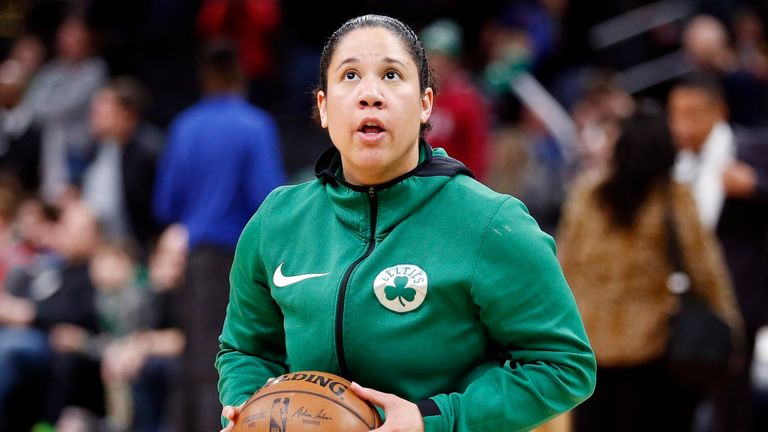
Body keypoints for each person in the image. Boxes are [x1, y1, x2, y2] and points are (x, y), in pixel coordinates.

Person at [217, 14, 595, 432]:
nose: (371, 94)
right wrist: (248, 406)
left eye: (392, 75)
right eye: (350, 76)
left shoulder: (492, 223)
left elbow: (564, 366)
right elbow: (245, 348)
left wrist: (432, 418)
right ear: (323, 107)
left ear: (425, 104)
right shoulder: (278, 220)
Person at [558, 105, 742, 431]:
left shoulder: (588, 193)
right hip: (653, 351)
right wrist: (730, 325)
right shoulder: (673, 198)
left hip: (590, 348)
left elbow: (564, 266)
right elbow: (706, 270)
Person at [153, 39, 285, 432]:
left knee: (191, 362)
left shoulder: (183, 126)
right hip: (235, 262)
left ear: (204, 77)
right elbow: (269, 202)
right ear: (240, 75)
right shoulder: (255, 125)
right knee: (225, 364)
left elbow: (165, 203)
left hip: (194, 261)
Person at [667, 74, 768, 432]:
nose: (684, 124)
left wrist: (756, 187)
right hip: (680, 300)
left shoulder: (753, 148)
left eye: (694, 113)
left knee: (732, 404)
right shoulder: (669, 162)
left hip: (740, 301)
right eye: (676, 113)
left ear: (719, 111)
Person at [81, 77, 163, 252]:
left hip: (139, 248)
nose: (95, 115)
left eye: (103, 109)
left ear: (127, 114)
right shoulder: (98, 148)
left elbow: (158, 212)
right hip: (106, 248)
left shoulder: (149, 153)